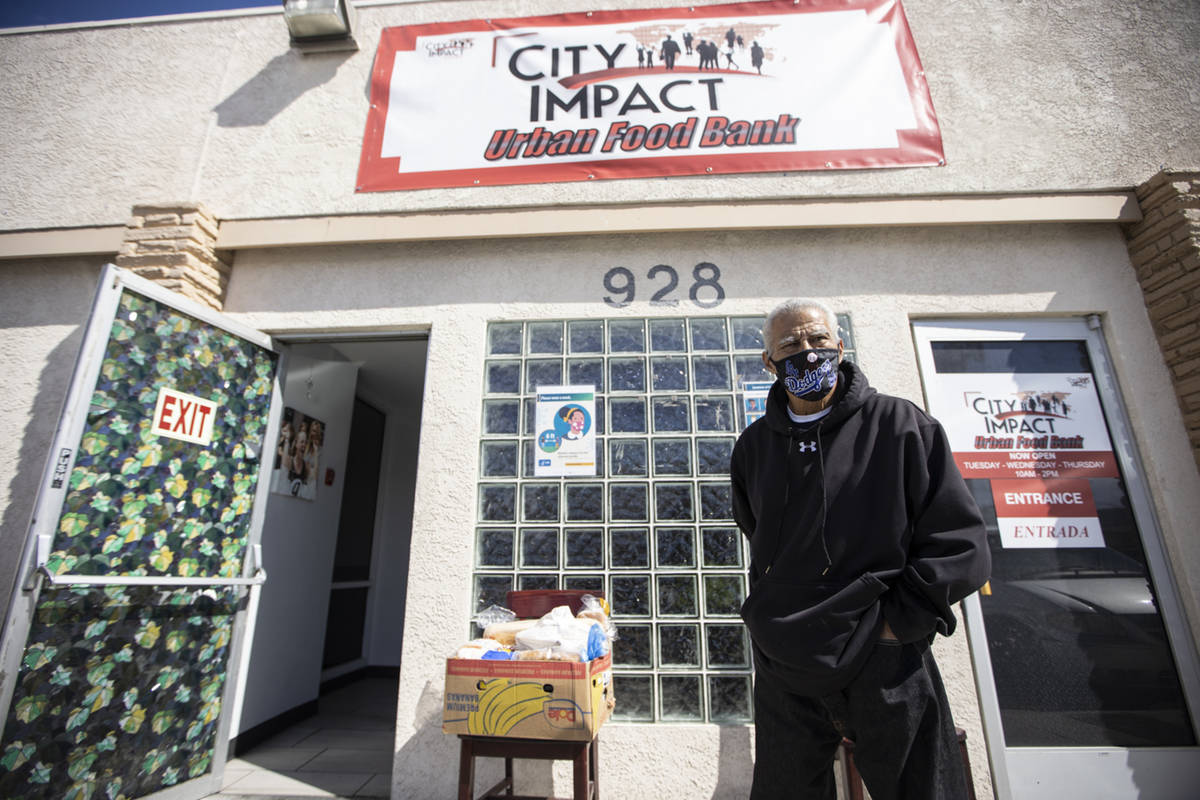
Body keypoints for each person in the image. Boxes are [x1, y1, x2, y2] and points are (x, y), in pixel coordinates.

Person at [731, 299, 990, 800]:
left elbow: (960, 544)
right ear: (769, 363)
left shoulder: (900, 426)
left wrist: (895, 626)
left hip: (883, 656)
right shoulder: (755, 447)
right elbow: (761, 542)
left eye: (818, 340)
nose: (806, 352)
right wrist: (765, 621)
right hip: (787, 662)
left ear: (840, 346)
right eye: (789, 345)